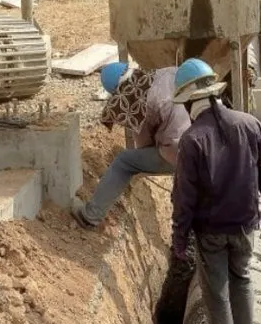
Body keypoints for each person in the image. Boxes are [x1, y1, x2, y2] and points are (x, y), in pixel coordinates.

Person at [169, 58, 261, 324]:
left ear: (189, 101)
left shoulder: (192, 141)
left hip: (211, 230)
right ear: (215, 92)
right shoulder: (250, 124)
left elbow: (184, 197)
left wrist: (179, 236)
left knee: (216, 291)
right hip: (246, 224)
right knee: (241, 278)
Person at [72, 61, 190, 228]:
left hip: (183, 151)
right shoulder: (168, 72)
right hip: (210, 141)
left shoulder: (136, 102)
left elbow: (144, 147)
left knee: (124, 161)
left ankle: (90, 215)